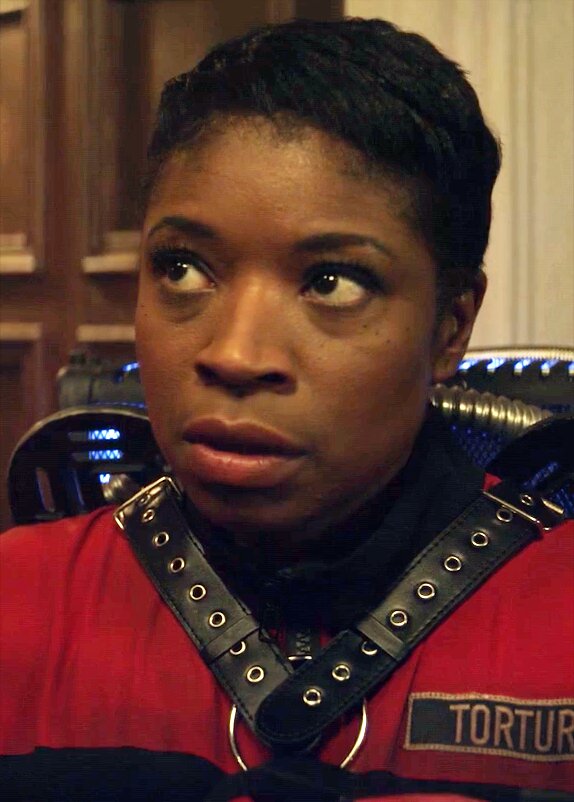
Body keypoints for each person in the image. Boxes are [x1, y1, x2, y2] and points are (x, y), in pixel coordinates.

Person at [1, 16, 572, 802]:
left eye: (332, 282)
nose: (235, 354)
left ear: (451, 326)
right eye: (183, 268)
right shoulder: (18, 604)